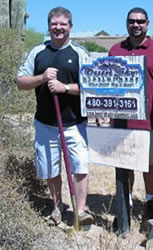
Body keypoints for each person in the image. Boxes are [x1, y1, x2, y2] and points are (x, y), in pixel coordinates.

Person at [17, 7, 94, 226]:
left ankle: (80, 211)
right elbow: (21, 82)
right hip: (45, 123)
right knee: (51, 168)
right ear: (49, 26)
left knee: (80, 166)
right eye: (54, 24)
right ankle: (57, 207)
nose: (58, 28)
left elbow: (92, 87)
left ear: (70, 26)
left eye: (63, 24)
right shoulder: (37, 52)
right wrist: (42, 77)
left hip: (75, 124)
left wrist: (65, 87)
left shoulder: (80, 53)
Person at [108, 7, 153, 221]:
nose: (136, 25)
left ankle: (151, 201)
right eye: (132, 21)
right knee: (125, 167)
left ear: (148, 23)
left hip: (152, 122)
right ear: (126, 23)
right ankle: (125, 204)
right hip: (122, 122)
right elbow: (106, 85)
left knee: (152, 165)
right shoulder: (115, 50)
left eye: (140, 21)